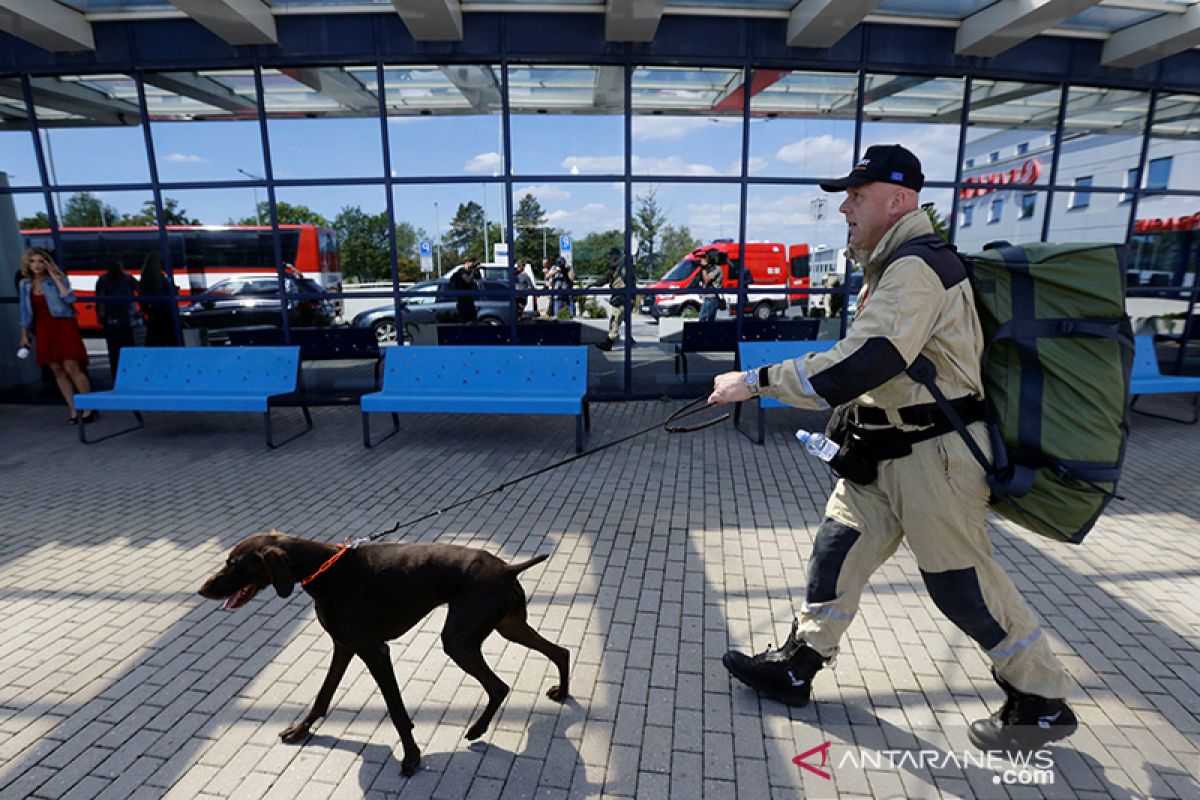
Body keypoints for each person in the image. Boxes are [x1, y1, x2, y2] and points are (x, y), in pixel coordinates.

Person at [706, 144, 1077, 754]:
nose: (845, 209)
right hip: (883, 451)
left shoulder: (916, 266)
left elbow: (871, 359)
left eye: (856, 196)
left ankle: (1040, 699)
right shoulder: (892, 264)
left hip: (935, 457)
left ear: (897, 200)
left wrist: (756, 381)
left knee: (962, 583)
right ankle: (801, 663)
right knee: (837, 551)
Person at [17, 247, 95, 424]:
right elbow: (24, 311)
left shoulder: (57, 279)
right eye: (33, 261)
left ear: (46, 263)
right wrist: (24, 335)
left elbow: (69, 299)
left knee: (72, 367)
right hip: (43, 328)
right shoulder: (25, 284)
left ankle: (90, 407)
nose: (36, 265)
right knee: (57, 371)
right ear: (27, 264)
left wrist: (55, 277)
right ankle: (73, 410)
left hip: (63, 326)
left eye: (40, 261)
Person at [94, 259, 142, 376]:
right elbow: (141, 291)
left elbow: (101, 301)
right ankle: (131, 373)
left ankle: (116, 374)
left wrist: (101, 317)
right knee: (129, 349)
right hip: (127, 318)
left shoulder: (103, 280)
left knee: (114, 352)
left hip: (111, 320)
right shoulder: (128, 278)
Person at [591, 247, 628, 351]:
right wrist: (594, 284)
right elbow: (606, 278)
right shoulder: (616, 267)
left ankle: (609, 342)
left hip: (621, 296)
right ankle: (621, 340)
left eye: (611, 255)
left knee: (615, 319)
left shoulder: (622, 267)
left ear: (616, 255)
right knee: (618, 319)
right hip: (619, 296)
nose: (610, 258)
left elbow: (628, 282)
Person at [138, 251, 177, 347]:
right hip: (165, 314)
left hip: (154, 315)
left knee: (155, 340)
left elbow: (142, 296)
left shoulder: (145, 277)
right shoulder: (161, 277)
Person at [449, 255, 480, 323]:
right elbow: (468, 280)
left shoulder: (471, 271)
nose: (473, 264)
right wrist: (473, 271)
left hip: (469, 298)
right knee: (466, 320)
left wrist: (477, 270)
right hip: (463, 299)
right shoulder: (461, 271)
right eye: (472, 262)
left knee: (473, 319)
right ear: (467, 262)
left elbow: (478, 278)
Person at [698, 248, 724, 322]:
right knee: (708, 320)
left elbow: (707, 279)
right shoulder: (711, 268)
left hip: (712, 297)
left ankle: (703, 333)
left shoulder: (717, 269)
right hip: (708, 297)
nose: (706, 258)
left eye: (707, 257)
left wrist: (703, 267)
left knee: (703, 319)